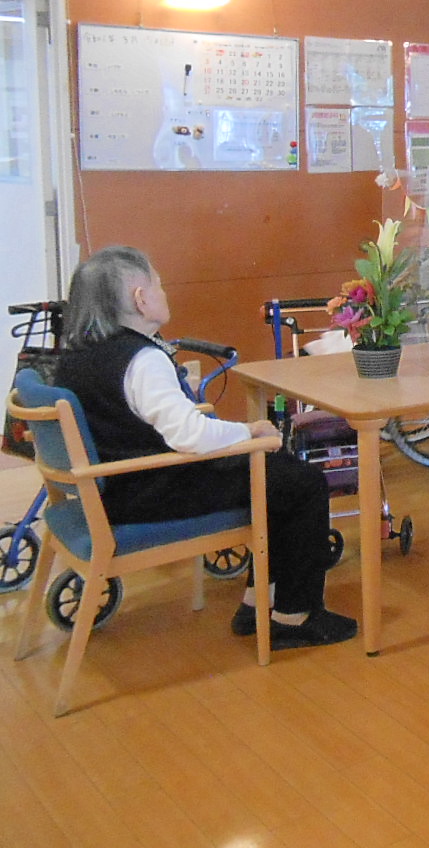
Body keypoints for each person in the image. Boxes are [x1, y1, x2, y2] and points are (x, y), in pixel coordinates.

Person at [52, 246, 357, 649]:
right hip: (147, 492)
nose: (164, 292)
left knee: (277, 473)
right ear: (140, 299)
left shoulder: (76, 356)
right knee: (302, 483)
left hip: (114, 489)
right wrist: (249, 432)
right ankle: (294, 615)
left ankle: (259, 602)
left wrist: (248, 439)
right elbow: (189, 436)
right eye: (158, 284)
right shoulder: (142, 359)